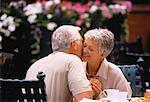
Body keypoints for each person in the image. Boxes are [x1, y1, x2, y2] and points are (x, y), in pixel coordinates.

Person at [25, 25, 93, 102]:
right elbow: (85, 99)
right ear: (74, 44)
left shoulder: (34, 66)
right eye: (82, 41)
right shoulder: (72, 60)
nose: (84, 47)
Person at [82, 28, 132, 98]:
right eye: (84, 46)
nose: (84, 50)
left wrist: (100, 95)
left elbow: (126, 98)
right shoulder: (78, 67)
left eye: (90, 49)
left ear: (102, 54)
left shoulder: (114, 72)